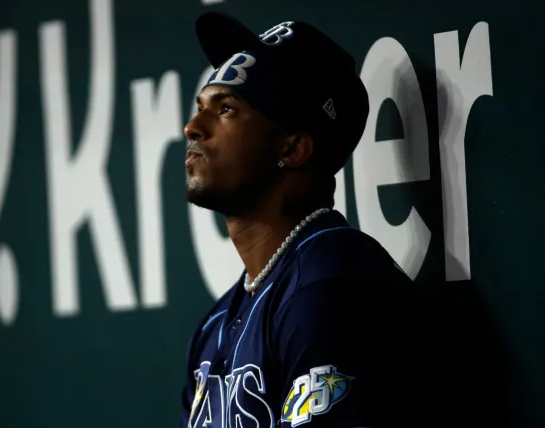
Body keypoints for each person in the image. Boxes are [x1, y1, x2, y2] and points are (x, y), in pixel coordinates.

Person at [180, 12, 430, 428]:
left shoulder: (330, 285)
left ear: (294, 149)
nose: (192, 127)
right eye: (200, 107)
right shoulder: (217, 324)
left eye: (225, 109)